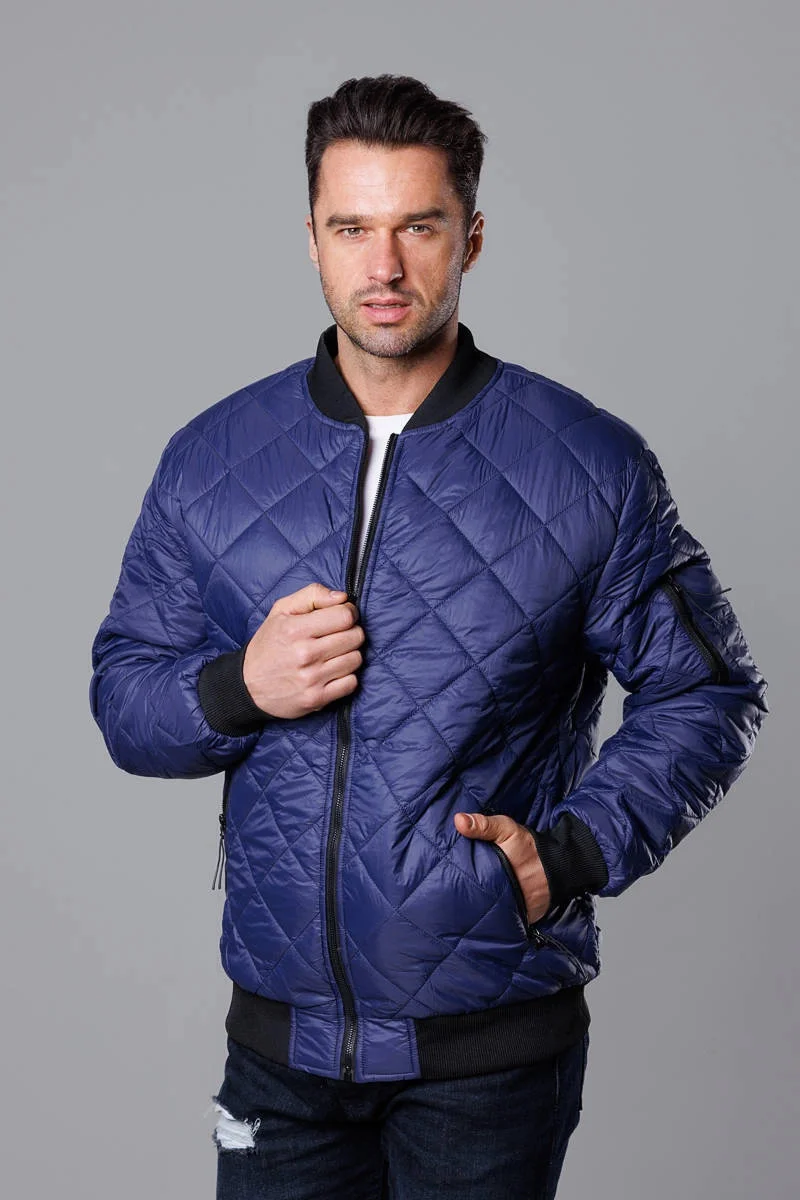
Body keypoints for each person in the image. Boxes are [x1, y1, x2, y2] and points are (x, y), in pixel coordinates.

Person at [89, 74, 768, 1200]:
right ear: (311, 238)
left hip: (487, 1056)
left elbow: (707, 692)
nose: (385, 266)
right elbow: (125, 699)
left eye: (419, 226)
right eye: (352, 228)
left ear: (472, 238)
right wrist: (239, 687)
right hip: (280, 1052)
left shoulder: (587, 464)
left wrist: (570, 855)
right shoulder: (211, 459)